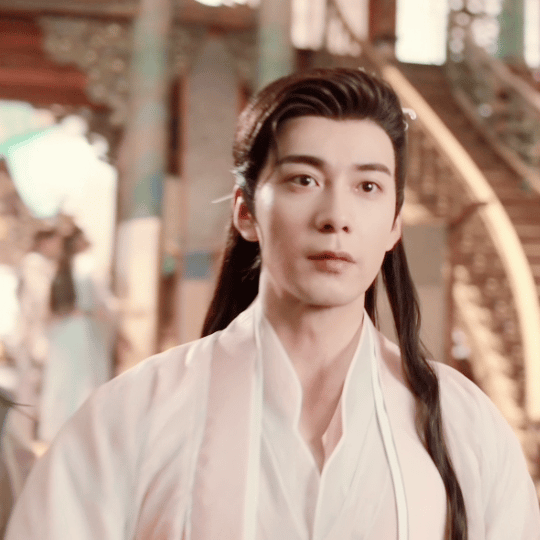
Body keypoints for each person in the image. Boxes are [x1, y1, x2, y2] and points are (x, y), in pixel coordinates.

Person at [6, 68, 540, 540]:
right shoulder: (133, 416)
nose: (336, 216)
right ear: (245, 212)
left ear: (395, 224)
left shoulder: (463, 425)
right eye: (303, 180)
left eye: (368, 186)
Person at [38, 227, 114, 443]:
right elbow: (103, 301)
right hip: (85, 330)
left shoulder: (60, 266)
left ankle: (55, 429)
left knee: (62, 381)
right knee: (86, 380)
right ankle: (83, 432)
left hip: (63, 331)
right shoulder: (89, 264)